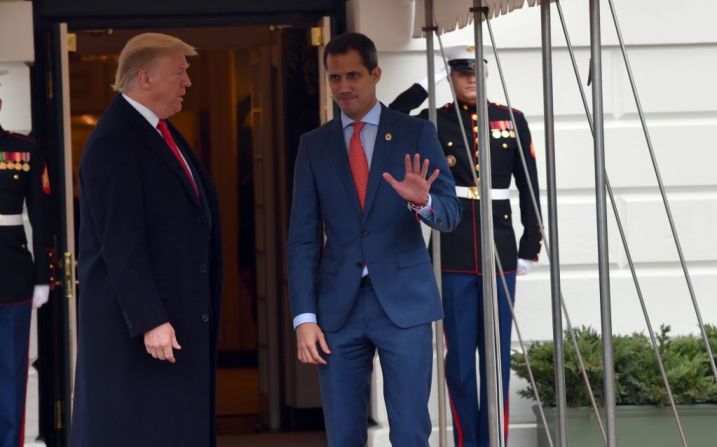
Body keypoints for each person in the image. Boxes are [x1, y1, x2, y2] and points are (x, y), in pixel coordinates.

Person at [287, 32, 461, 447]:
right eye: (334, 78)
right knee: (344, 433)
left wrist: (423, 204)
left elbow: (451, 214)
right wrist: (304, 319)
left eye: (353, 75)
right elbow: (302, 240)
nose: (343, 87)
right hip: (337, 311)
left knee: (410, 431)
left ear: (375, 74)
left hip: (404, 303)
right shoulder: (313, 146)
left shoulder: (416, 133)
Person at [70, 33, 223, 447]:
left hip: (173, 324)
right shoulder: (115, 141)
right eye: (179, 73)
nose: (188, 82)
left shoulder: (159, 133)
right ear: (145, 79)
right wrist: (150, 319)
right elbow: (120, 242)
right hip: (142, 333)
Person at [389, 44, 542, 447]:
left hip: (501, 248)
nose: (471, 77)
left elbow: (529, 187)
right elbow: (390, 118)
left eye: (476, 70)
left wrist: (530, 245)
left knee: (495, 360)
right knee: (459, 362)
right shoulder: (434, 123)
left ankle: (495, 441)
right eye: (461, 71)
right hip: (454, 248)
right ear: (451, 76)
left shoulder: (512, 120)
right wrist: (425, 85)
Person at [0, 72, 51, 447]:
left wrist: (41, 277)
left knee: (10, 377)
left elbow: (42, 215)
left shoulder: (24, 150)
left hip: (11, 276)